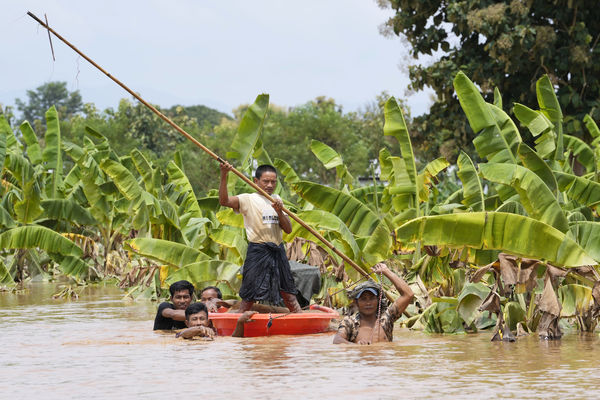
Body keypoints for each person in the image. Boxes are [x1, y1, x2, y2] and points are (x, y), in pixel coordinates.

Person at [219, 162, 302, 313]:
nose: (270, 185)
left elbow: (288, 229)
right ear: (256, 181)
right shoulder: (247, 199)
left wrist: (279, 211)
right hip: (258, 249)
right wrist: (224, 174)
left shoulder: (277, 199)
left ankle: (301, 318)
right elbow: (224, 201)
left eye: (273, 182)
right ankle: (240, 321)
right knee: (249, 293)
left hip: (277, 249)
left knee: (288, 291)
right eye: (266, 181)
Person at [333, 263, 414, 345]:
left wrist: (386, 271)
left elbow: (408, 294)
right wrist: (356, 346)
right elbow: (337, 340)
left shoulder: (386, 319)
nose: (368, 303)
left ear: (378, 300)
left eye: (372, 298)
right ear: (356, 302)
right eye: (363, 299)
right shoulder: (350, 322)